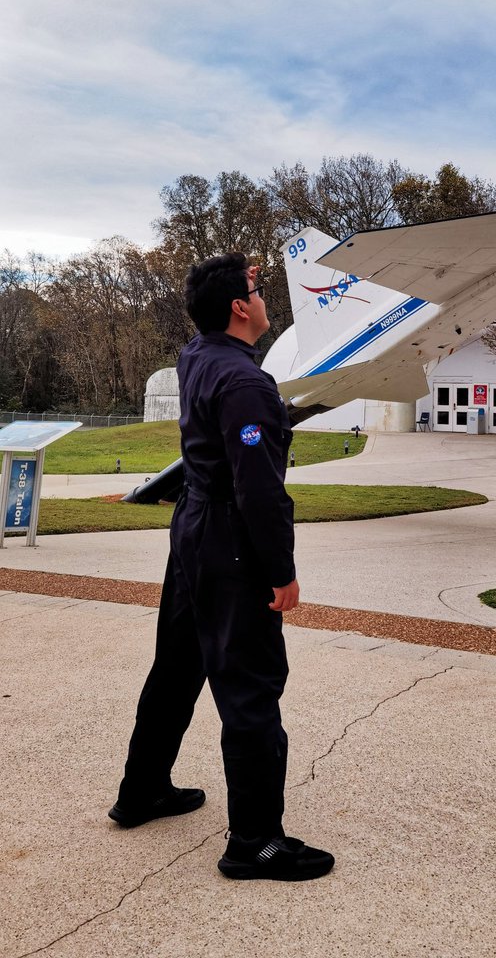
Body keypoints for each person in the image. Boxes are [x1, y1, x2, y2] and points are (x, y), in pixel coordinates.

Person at [109, 253, 334, 882]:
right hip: (231, 543)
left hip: (193, 533)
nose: (265, 300)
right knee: (251, 686)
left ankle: (142, 790)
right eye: (257, 290)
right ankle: (256, 842)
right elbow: (259, 491)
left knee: (177, 666)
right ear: (239, 307)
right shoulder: (245, 382)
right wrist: (282, 573)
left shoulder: (196, 357)